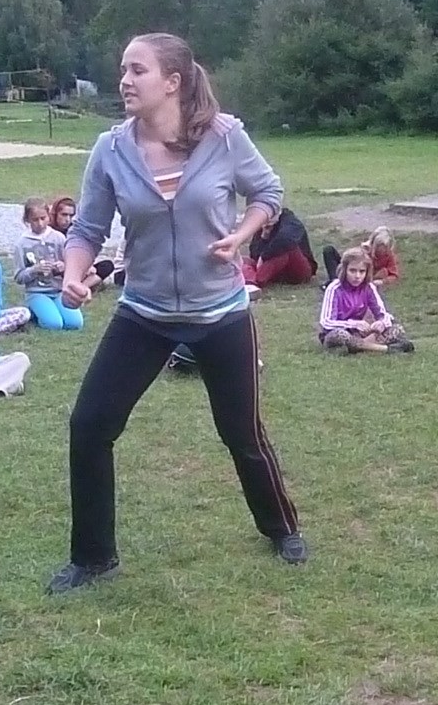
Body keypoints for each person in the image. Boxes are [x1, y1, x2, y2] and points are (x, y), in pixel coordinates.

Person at [46, 31, 307, 594]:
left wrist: (241, 234)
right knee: (90, 425)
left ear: (173, 82)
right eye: (123, 69)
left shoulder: (224, 137)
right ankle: (93, 557)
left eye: (137, 70)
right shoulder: (110, 149)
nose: (124, 80)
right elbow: (87, 229)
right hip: (145, 311)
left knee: (240, 431)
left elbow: (268, 193)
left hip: (221, 313)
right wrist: (72, 274)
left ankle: (281, 527)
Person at [318, 246, 414, 355]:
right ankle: (386, 349)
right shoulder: (334, 288)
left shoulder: (368, 287)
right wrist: (353, 324)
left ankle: (358, 347)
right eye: (352, 271)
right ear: (344, 270)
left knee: (396, 329)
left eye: (362, 271)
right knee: (340, 335)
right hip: (337, 333)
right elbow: (326, 322)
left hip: (359, 333)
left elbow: (384, 314)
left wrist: (381, 323)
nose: (357, 276)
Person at [14, 197, 84, 331]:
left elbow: (71, 265)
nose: (40, 223)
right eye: (35, 220)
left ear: (49, 217)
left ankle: (49, 309)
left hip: (58, 290)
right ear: (27, 220)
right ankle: (35, 311)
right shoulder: (22, 244)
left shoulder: (59, 238)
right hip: (37, 292)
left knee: (75, 323)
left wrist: (63, 267)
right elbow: (18, 277)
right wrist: (34, 270)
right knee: (54, 324)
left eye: (43, 218)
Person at [241, 205, 317, 294]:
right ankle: (250, 281)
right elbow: (254, 255)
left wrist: (264, 257)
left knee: (285, 250)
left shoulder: (290, 221)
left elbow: (286, 240)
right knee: (243, 260)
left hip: (298, 269)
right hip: (274, 270)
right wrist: (264, 236)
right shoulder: (262, 225)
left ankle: (255, 281)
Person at [49, 196, 115, 288]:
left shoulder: (75, 231)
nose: (68, 219)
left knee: (107, 266)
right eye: (64, 215)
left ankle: (79, 287)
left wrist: (87, 266)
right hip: (57, 269)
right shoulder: (49, 232)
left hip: (75, 268)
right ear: (55, 214)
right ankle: (73, 287)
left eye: (71, 216)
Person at [322, 226, 400, 286]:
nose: (382, 250)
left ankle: (336, 283)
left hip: (362, 277)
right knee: (328, 250)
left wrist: (382, 281)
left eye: (385, 248)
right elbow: (351, 262)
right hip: (351, 269)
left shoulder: (389, 255)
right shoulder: (364, 250)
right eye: (378, 247)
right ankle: (335, 281)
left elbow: (394, 275)